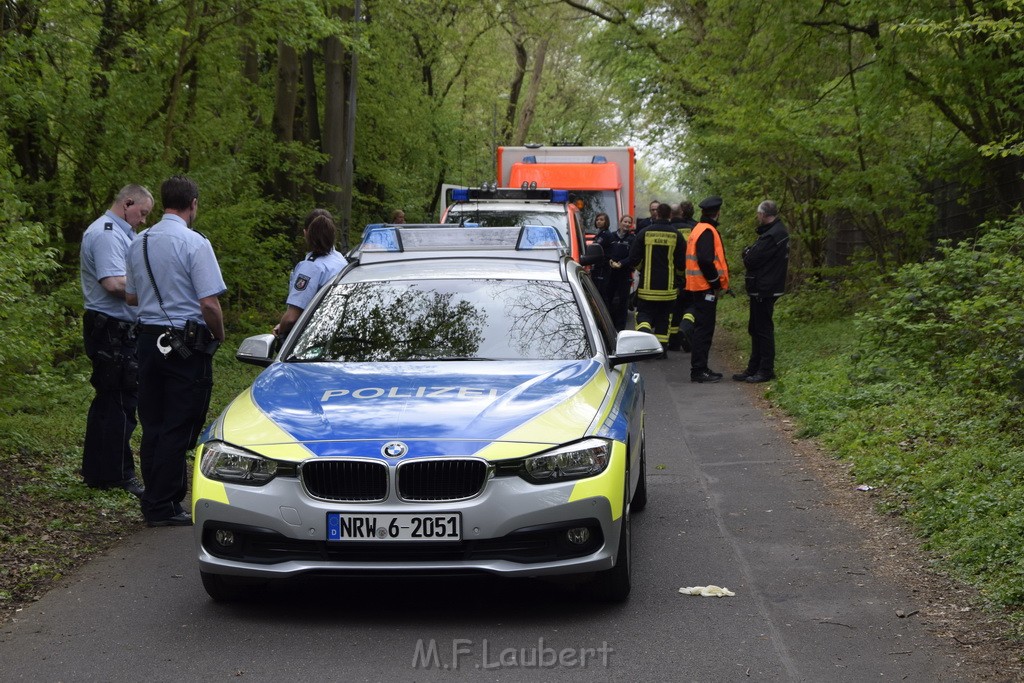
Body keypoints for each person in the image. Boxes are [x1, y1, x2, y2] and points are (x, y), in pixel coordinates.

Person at [125, 176, 226, 527]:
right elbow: (209, 303)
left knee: (152, 422)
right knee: (180, 424)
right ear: (193, 204)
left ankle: (154, 499)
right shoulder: (195, 243)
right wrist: (220, 335)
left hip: (146, 341)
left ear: (165, 201)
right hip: (185, 344)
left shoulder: (138, 241)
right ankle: (165, 504)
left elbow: (131, 296)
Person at [79, 184, 154, 498]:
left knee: (113, 401)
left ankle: (100, 472)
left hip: (116, 329)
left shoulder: (121, 233)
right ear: (128, 202)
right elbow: (112, 283)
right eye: (142, 213)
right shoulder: (108, 233)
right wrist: (151, 290)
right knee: (120, 403)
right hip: (111, 329)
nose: (143, 220)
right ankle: (117, 475)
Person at [734, 200, 790, 383]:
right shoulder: (775, 232)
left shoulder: (773, 235)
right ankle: (754, 368)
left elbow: (751, 259)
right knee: (756, 328)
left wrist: (747, 252)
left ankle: (765, 370)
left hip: (764, 288)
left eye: (758, 214)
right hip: (764, 287)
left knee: (763, 329)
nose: (757, 217)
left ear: (764, 214)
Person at [274, 209, 348, 339]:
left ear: (305, 233)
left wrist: (281, 329)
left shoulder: (311, 267)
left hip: (311, 338)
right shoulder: (340, 260)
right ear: (333, 233)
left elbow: (292, 317)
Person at [623, 203, 686, 350]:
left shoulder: (645, 232)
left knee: (644, 315)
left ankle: (645, 333)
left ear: (656, 213)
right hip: (668, 290)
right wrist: (679, 280)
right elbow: (682, 263)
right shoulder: (677, 235)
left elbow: (633, 258)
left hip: (647, 288)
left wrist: (642, 268)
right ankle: (661, 349)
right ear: (670, 215)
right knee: (664, 319)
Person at [685, 196, 731, 382]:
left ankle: (700, 368)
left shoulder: (698, 229)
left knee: (701, 328)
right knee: (704, 330)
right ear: (717, 212)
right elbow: (705, 260)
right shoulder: (707, 231)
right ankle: (699, 370)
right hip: (705, 288)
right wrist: (715, 283)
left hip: (698, 287)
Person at [667, 200, 698, 351]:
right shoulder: (694, 229)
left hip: (671, 276)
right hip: (692, 276)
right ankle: (685, 328)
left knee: (675, 307)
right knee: (691, 305)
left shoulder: (669, 230)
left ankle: (673, 342)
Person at [597, 213, 635, 331]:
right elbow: (605, 252)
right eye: (625, 222)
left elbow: (633, 256)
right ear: (620, 222)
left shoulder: (632, 239)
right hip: (610, 273)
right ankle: (608, 326)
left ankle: (620, 329)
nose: (627, 224)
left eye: (629, 222)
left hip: (624, 274)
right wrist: (610, 261)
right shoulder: (612, 236)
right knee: (608, 299)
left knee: (623, 302)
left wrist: (621, 264)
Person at [588, 212, 613, 296]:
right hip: (598, 266)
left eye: (601, 220)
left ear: (606, 222)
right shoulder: (600, 234)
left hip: (603, 267)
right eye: (597, 220)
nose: (598, 221)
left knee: (600, 292)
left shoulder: (606, 235)